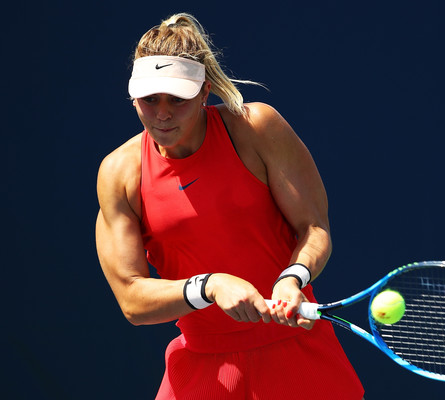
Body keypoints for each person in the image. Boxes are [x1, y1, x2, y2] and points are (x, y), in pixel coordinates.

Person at [95, 12, 365, 400]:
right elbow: (132, 299)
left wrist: (293, 277)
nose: (163, 112)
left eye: (178, 99)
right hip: (202, 368)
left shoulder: (257, 127)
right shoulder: (119, 172)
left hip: (297, 355)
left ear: (204, 92)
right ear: (133, 96)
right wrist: (208, 287)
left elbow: (314, 227)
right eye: (149, 99)